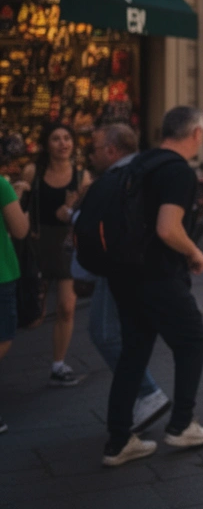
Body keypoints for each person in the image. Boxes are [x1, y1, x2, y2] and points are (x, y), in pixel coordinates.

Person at [102, 107, 203, 467]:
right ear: (195, 134)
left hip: (124, 273)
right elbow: (168, 228)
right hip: (158, 274)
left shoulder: (140, 162)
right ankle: (181, 424)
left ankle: (119, 439)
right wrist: (194, 252)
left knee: (134, 351)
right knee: (193, 340)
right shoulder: (178, 170)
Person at [83, 124, 171, 433]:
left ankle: (147, 398)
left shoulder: (124, 177)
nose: (90, 156)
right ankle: (138, 406)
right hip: (128, 267)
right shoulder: (133, 173)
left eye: (93, 149)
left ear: (111, 150)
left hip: (122, 267)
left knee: (108, 333)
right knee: (126, 335)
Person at [19, 122, 92, 386]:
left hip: (66, 246)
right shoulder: (33, 172)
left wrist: (71, 211)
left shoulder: (82, 177)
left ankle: (58, 365)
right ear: (46, 144)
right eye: (56, 138)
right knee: (32, 315)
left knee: (66, 308)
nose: (63, 143)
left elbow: (88, 215)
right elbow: (19, 208)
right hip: (37, 245)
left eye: (67, 138)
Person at [0, 146, 32, 434]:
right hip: (2, 273)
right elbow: (20, 229)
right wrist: (19, 200)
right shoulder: (2, 185)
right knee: (4, 337)